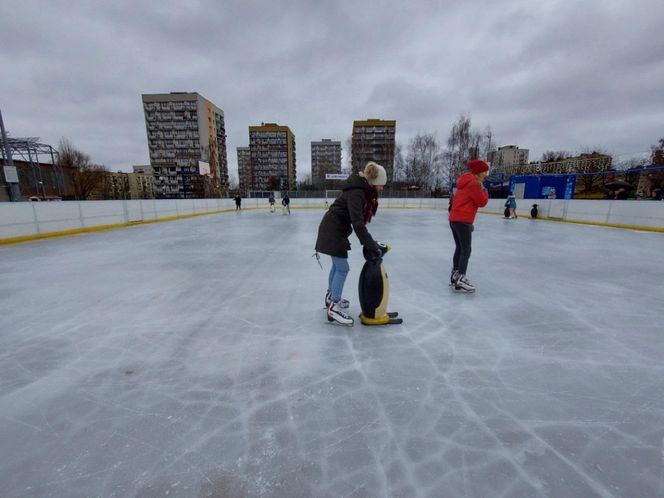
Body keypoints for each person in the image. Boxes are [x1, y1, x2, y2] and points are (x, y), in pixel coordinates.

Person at [315, 161, 387, 325]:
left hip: (333, 229)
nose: (382, 188)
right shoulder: (357, 192)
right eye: (381, 185)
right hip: (333, 231)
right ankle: (334, 307)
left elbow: (358, 223)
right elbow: (358, 224)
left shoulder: (359, 189)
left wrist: (370, 242)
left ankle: (330, 297)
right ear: (374, 182)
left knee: (336, 266)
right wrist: (370, 245)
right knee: (342, 268)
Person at [449, 159, 489, 293]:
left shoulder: (464, 181)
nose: (486, 174)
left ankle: (455, 274)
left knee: (460, 247)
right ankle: (461, 277)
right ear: (479, 172)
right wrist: (485, 190)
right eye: (485, 171)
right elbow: (482, 202)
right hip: (463, 220)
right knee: (466, 249)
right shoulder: (474, 184)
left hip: (454, 219)